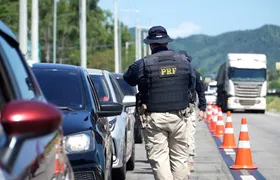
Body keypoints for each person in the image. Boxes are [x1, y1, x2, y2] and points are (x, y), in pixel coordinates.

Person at [123, 25, 194, 180]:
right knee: (180, 159)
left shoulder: (143, 64)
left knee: (160, 159)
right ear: (167, 43)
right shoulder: (183, 62)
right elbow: (191, 83)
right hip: (179, 116)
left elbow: (127, 78)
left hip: (154, 118)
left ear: (150, 44)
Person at [178, 50, 207, 172]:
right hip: (185, 108)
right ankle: (186, 162)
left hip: (183, 108)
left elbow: (201, 91)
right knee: (185, 136)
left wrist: (202, 108)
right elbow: (201, 92)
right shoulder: (194, 73)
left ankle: (189, 161)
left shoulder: (194, 74)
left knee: (186, 136)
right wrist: (202, 109)